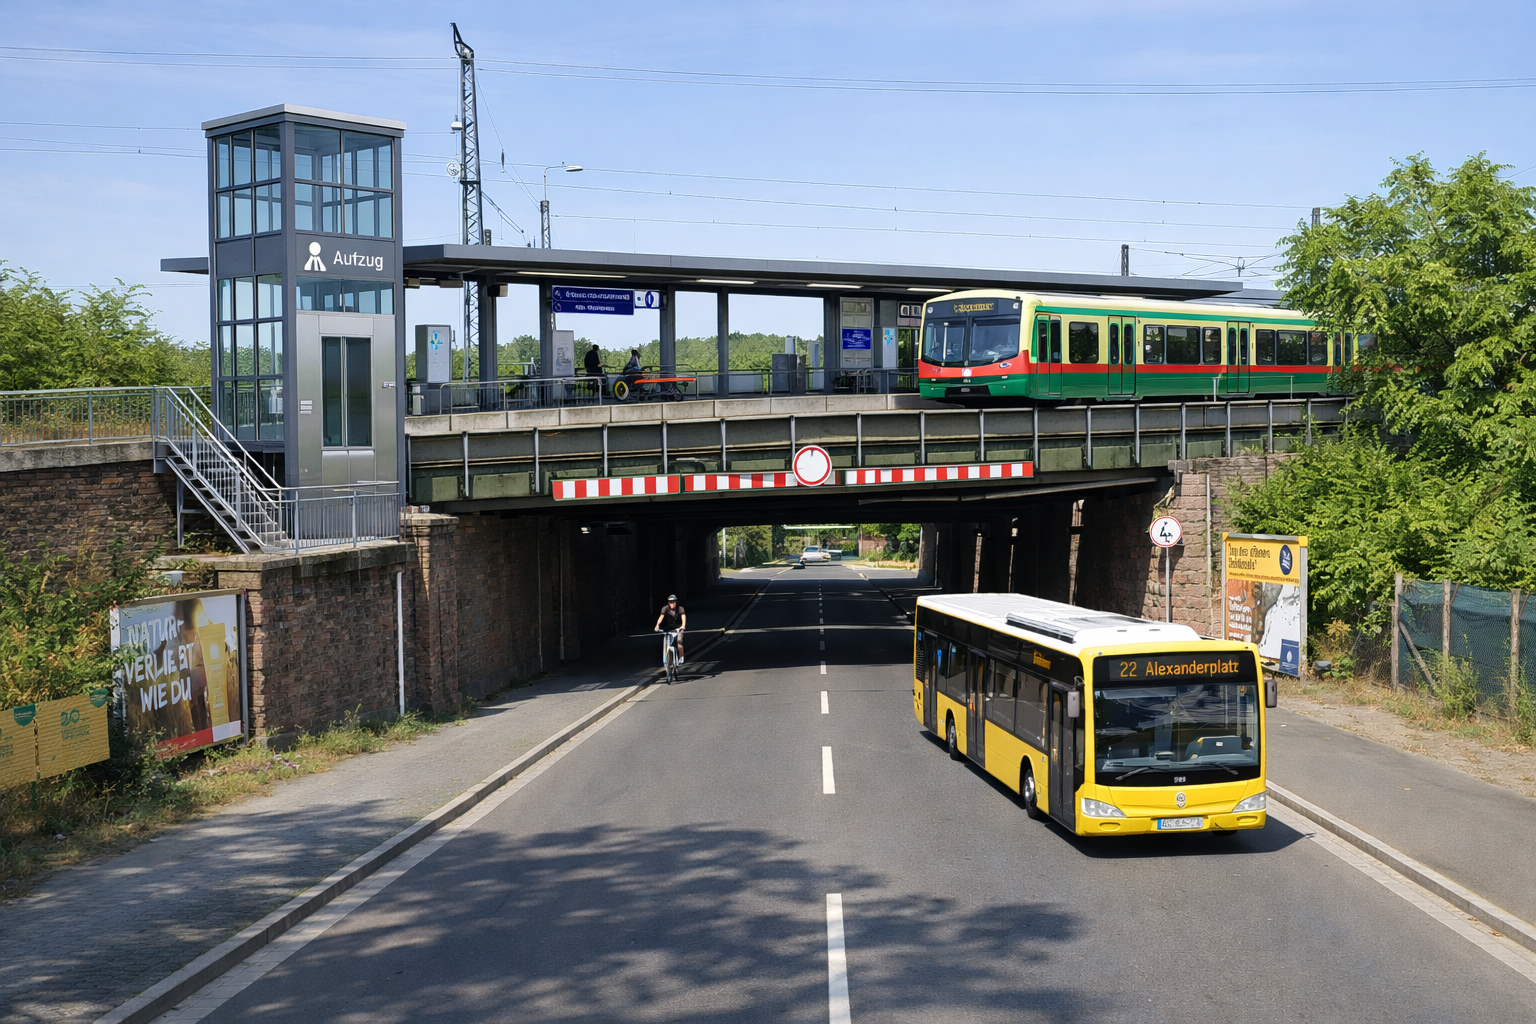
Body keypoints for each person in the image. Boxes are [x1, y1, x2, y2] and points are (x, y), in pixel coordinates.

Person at [654, 593, 687, 663]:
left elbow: (683, 617)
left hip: (678, 628)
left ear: (676, 603)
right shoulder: (665, 609)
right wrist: (657, 625)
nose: (672, 604)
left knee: (679, 643)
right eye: (671, 602)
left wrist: (683, 626)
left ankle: (681, 658)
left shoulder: (680, 609)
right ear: (669, 603)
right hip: (669, 628)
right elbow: (661, 617)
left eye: (674, 602)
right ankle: (668, 659)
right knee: (668, 643)